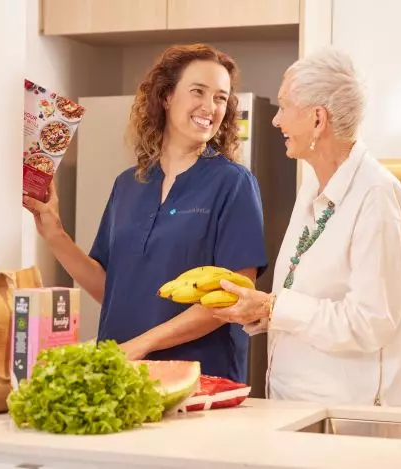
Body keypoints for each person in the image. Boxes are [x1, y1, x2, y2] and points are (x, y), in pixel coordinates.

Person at [23, 44, 268, 383]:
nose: (210, 107)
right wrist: (54, 234)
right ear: (166, 96)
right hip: (124, 377)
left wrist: (139, 346)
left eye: (221, 98)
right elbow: (112, 290)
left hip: (199, 381)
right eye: (198, 91)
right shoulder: (129, 184)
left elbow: (231, 301)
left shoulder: (234, 184)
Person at [210, 47, 401, 407]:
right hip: (298, 406)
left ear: (317, 119)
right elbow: (310, 302)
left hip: (352, 417)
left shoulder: (376, 197)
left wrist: (271, 307)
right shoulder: (313, 186)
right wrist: (259, 311)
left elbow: (370, 321)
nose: (275, 120)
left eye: (284, 107)